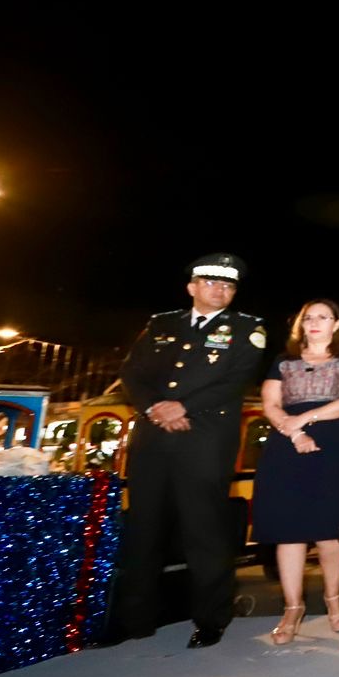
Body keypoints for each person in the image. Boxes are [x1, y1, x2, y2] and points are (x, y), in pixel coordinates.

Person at [106, 253, 266, 649]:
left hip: (205, 441)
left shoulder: (247, 329)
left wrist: (183, 407)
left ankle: (211, 619)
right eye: (212, 283)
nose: (221, 290)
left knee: (204, 532)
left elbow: (236, 379)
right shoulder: (162, 325)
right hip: (153, 440)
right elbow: (132, 374)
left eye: (228, 286)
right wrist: (154, 408)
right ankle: (135, 620)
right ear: (192, 287)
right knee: (144, 531)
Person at [256, 298, 339, 644]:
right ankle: (292, 608)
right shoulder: (283, 362)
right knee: (289, 530)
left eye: (323, 317)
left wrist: (304, 420)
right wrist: (294, 432)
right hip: (286, 447)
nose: (315, 323)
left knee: (329, 528)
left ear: (337, 324)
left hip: (333, 446)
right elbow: (271, 405)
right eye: (309, 318)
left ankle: (334, 600)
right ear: (300, 325)